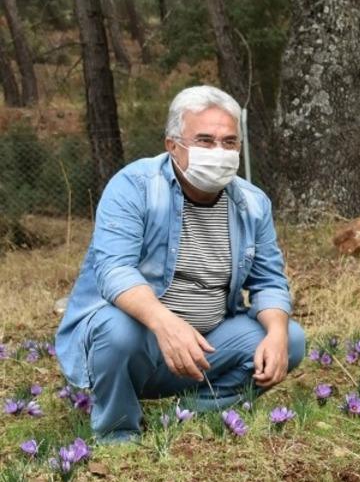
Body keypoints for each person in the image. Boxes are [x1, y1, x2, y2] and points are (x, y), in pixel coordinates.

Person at [56, 85, 305, 442]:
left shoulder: (253, 203)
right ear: (173, 145)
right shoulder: (134, 186)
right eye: (204, 140)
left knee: (290, 339)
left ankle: (196, 413)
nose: (218, 152)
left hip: (206, 348)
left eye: (229, 142)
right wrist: (165, 323)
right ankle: (118, 432)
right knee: (116, 328)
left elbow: (269, 282)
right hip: (140, 344)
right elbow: (113, 270)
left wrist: (278, 332)